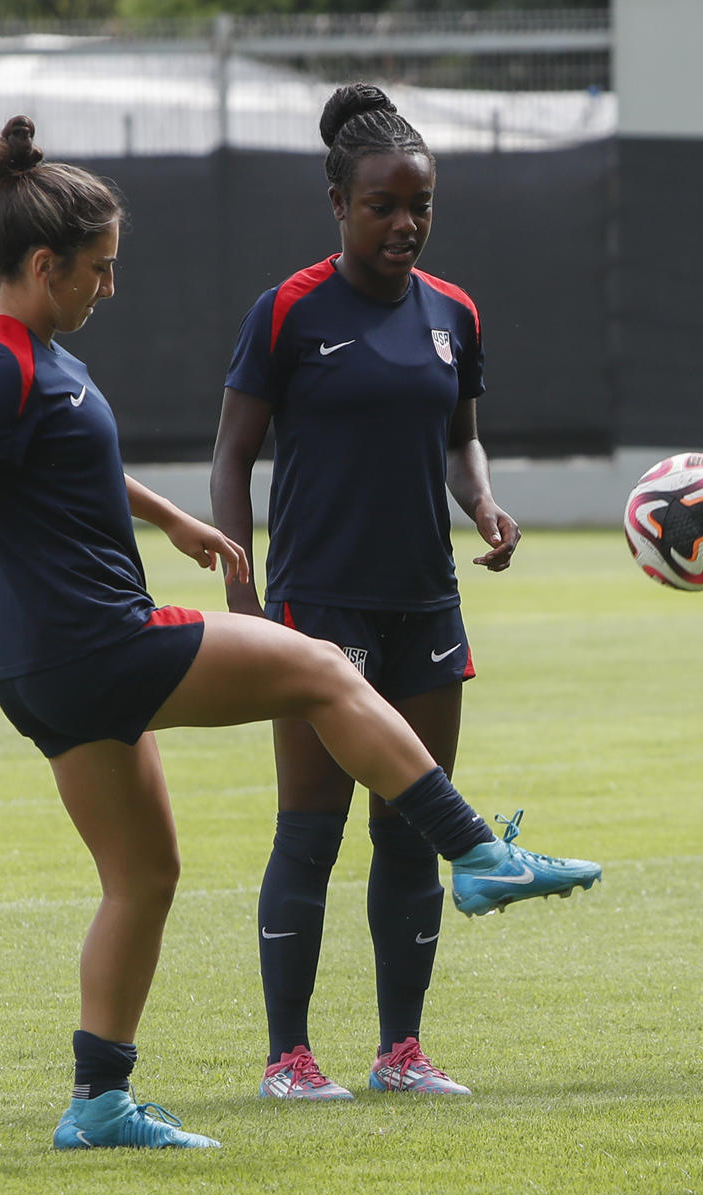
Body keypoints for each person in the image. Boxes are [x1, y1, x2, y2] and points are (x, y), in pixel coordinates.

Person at [0, 116, 600, 1150]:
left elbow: (58, 458)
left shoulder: (30, 356)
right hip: (98, 641)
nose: (109, 288)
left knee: (145, 876)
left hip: (43, 669)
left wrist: (168, 516)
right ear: (40, 264)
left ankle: (98, 1100)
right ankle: (473, 851)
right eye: (98, 270)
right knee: (327, 669)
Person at [212, 83, 593, 1102]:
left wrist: (484, 503)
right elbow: (232, 457)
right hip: (317, 606)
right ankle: (288, 1057)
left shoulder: (454, 312)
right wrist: (244, 587)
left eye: (420, 205)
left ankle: (401, 1050)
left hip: (424, 599)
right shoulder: (289, 310)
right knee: (311, 827)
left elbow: (460, 433)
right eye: (382, 205)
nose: (405, 224)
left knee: (413, 824)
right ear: (339, 203)